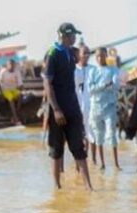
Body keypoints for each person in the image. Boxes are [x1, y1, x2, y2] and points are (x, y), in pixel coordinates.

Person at [42, 23, 93, 190]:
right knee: (56, 149)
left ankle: (88, 186)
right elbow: (48, 84)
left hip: (72, 107)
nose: (75, 38)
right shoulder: (53, 54)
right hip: (58, 109)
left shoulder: (71, 53)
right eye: (73, 36)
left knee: (78, 147)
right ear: (65, 35)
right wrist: (56, 109)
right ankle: (57, 187)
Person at [89, 47, 121, 170]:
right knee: (98, 135)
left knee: (112, 134)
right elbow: (91, 90)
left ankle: (116, 164)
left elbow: (115, 86)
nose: (100, 58)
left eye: (102, 55)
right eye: (97, 56)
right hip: (96, 107)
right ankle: (102, 163)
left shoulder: (113, 70)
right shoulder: (93, 71)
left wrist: (103, 86)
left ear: (106, 56)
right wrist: (104, 85)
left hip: (109, 105)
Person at [74, 45, 97, 164]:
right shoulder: (74, 70)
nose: (87, 55)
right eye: (85, 53)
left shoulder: (94, 69)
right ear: (79, 55)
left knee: (92, 133)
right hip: (77, 106)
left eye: (89, 53)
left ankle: (93, 160)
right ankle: (81, 159)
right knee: (80, 135)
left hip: (92, 106)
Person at [0, 59, 24, 125]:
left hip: (14, 89)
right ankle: (16, 119)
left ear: (14, 65)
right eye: (10, 64)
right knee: (11, 99)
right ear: (7, 65)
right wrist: (1, 94)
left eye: (12, 64)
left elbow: (20, 84)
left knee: (20, 96)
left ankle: (14, 116)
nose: (11, 66)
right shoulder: (3, 71)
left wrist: (21, 88)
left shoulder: (17, 71)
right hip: (5, 90)